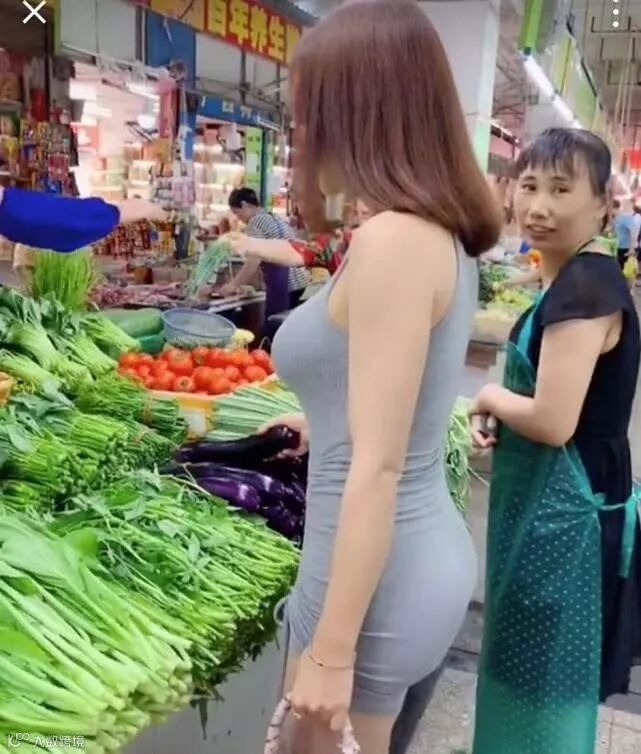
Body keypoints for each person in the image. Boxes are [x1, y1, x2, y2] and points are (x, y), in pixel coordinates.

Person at [256, 2, 502, 753]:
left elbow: (378, 466)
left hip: (368, 581)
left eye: (310, 112)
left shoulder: (394, 240)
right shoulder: (433, 230)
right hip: (406, 555)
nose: (302, 133)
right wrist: (324, 420)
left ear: (357, 115)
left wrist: (331, 653)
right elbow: (400, 400)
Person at [469, 128, 641, 754]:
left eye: (561, 190)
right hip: (549, 505)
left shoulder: (586, 289)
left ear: (603, 205)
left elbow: (553, 419)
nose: (538, 206)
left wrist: (491, 398)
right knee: (527, 675)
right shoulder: (570, 277)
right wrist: (501, 416)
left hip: (568, 518)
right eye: (529, 186)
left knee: (548, 684)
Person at [221, 187, 309, 317]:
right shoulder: (272, 217)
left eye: (237, 213)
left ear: (244, 205)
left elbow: (253, 262)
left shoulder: (255, 222)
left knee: (274, 323)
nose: (239, 218)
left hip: (285, 285)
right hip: (301, 282)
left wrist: (233, 285)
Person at [0, 186, 165, 251]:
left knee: (75, 222)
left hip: (12, 211)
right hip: (12, 213)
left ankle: (138, 208)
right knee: (74, 223)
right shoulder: (12, 212)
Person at [613, 196, 640, 270]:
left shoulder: (625, 217)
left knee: (628, 270)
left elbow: (634, 231)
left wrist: (631, 249)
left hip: (627, 248)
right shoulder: (616, 218)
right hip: (619, 248)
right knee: (620, 269)